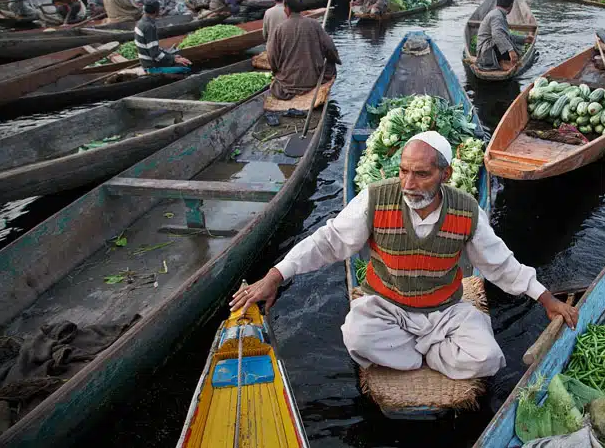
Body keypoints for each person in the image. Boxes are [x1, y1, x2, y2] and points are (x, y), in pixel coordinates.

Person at [230, 131, 579, 380]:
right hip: (386, 306)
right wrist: (275, 275)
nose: (409, 183)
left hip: (444, 311)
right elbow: (329, 241)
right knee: (357, 336)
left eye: (422, 174)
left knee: (487, 358)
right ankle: (428, 353)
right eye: (403, 171)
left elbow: (499, 264)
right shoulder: (375, 199)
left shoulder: (466, 211)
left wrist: (546, 298)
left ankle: (419, 350)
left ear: (446, 174)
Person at [266, 0, 340, 100]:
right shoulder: (314, 24)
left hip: (288, 81)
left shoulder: (280, 29)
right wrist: (334, 60)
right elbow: (330, 48)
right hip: (313, 79)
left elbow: (272, 55)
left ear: (287, 8)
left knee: (277, 82)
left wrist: (276, 71)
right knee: (331, 65)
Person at [475, 0, 534, 72]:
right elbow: (497, 35)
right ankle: (501, 62)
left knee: (504, 39)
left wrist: (525, 39)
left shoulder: (497, 13)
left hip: (487, 49)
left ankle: (503, 60)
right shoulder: (497, 16)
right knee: (502, 40)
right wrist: (511, 51)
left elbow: (505, 35)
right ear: (511, 6)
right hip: (486, 54)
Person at [135, 0, 192, 73]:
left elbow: (155, 50)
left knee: (177, 56)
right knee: (185, 68)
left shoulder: (141, 22)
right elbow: (155, 54)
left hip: (148, 62)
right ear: (156, 11)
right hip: (151, 67)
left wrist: (173, 57)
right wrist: (174, 59)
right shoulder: (148, 27)